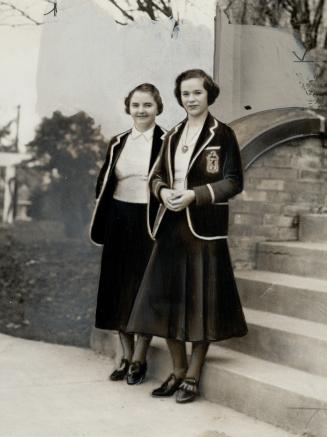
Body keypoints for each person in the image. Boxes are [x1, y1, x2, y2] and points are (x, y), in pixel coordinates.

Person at [127, 69, 248, 402]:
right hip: (171, 226)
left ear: (209, 94)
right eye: (185, 94)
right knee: (166, 301)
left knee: (201, 304)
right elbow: (156, 177)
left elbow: (234, 181)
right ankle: (177, 370)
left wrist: (197, 194)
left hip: (204, 230)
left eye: (197, 93)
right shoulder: (172, 135)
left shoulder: (222, 134)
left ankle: (193, 374)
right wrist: (163, 191)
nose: (191, 99)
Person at [90, 83, 165, 385]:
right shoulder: (118, 141)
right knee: (117, 287)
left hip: (148, 220)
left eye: (148, 105)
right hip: (119, 219)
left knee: (143, 288)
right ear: (128, 108)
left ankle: (140, 359)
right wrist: (106, 216)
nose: (142, 110)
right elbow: (104, 181)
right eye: (136, 105)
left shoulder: (167, 141)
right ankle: (124, 355)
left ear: (158, 107)